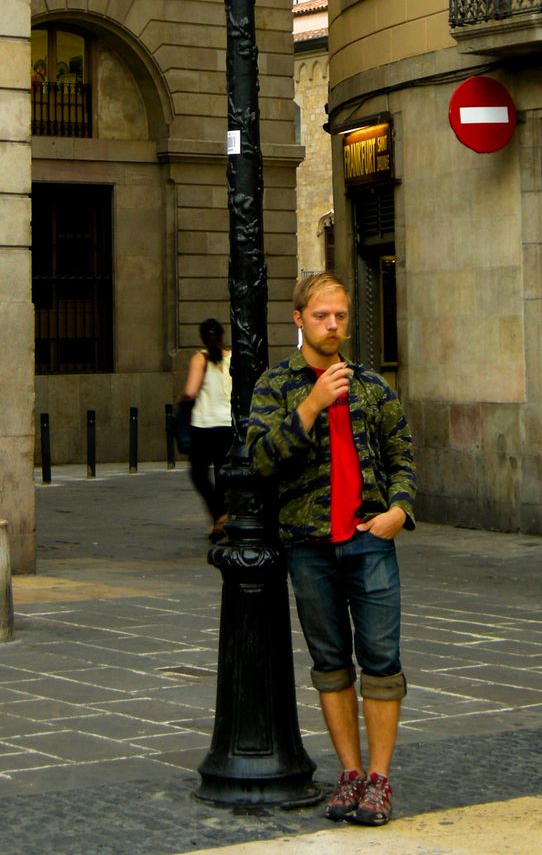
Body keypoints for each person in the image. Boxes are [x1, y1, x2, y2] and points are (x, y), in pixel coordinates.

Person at [246, 272, 416, 827]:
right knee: (330, 662)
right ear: (299, 320)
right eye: (322, 316)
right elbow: (261, 459)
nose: (334, 325)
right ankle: (349, 772)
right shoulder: (277, 385)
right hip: (310, 543)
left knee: (382, 662)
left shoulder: (371, 385)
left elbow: (401, 451)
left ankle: (380, 779)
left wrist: (398, 511)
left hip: (369, 540)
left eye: (341, 315)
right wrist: (311, 405)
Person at [180, 318, 233, 543]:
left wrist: (182, 402)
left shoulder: (199, 358)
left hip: (203, 425)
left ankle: (219, 516)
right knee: (223, 475)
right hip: (228, 425)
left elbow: (191, 391)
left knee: (199, 475)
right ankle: (222, 519)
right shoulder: (234, 358)